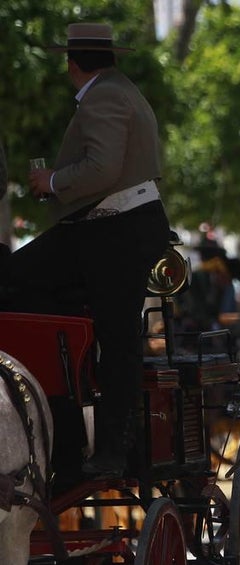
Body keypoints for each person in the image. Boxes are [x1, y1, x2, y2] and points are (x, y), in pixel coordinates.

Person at [0, 23, 171, 480]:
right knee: (71, 318)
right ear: (109, 57)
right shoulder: (119, 89)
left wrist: (52, 181)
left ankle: (103, 447)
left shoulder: (104, 96)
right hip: (107, 231)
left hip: (114, 232)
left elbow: (102, 168)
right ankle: (72, 430)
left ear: (71, 63)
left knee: (115, 340)